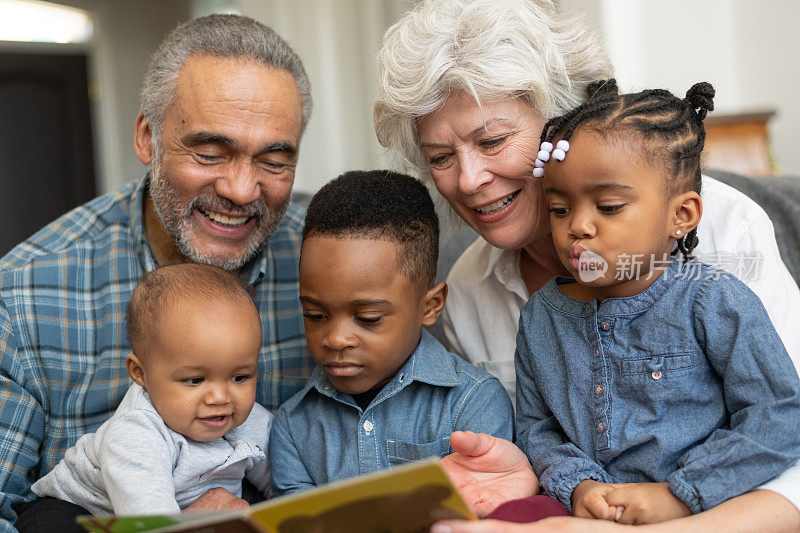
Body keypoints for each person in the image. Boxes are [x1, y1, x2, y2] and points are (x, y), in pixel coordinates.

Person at [374, 0, 800, 529]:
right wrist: (545, 479)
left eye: (494, 141)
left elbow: (788, 439)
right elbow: (539, 433)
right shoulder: (467, 289)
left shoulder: (722, 229)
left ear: (566, 124)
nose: (467, 179)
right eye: (441, 157)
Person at [0, 14, 313, 529]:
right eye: (211, 152)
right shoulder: (25, 296)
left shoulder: (325, 269)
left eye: (273, 161)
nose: (240, 190)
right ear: (148, 138)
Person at [516, 80, 800, 524]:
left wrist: (683, 494)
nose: (579, 226)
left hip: (707, 513)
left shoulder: (713, 301)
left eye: (608, 207)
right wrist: (579, 484)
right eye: (559, 209)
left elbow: (780, 414)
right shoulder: (540, 318)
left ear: (680, 216)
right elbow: (537, 428)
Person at [268, 170, 514, 495]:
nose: (335, 339)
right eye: (315, 315)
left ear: (430, 306)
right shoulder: (292, 426)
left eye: (368, 318)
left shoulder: (474, 404)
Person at [24, 264, 271, 529]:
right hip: (79, 513)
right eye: (195, 380)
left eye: (239, 378)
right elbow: (151, 522)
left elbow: (282, 486)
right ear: (141, 373)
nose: (221, 397)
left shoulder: (250, 421)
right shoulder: (135, 435)